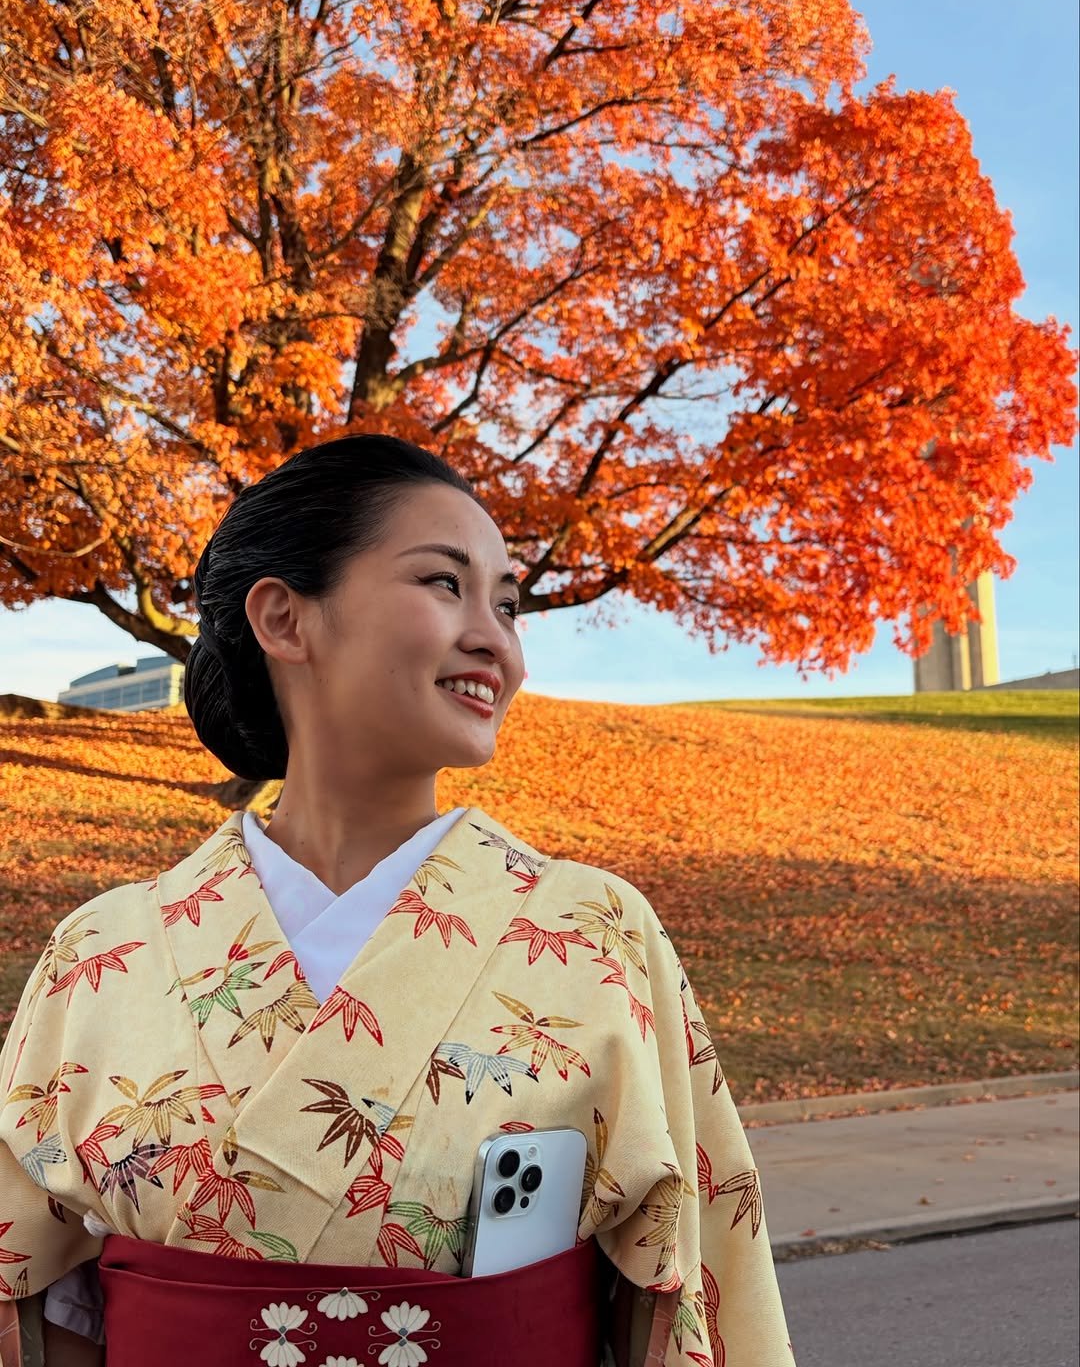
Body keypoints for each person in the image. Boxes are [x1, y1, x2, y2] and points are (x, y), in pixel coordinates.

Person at [0, 434, 795, 1366]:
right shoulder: (102, 950)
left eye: (508, 604)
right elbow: (34, 1295)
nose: (498, 641)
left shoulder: (594, 930)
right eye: (445, 583)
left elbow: (693, 1273)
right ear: (285, 619)